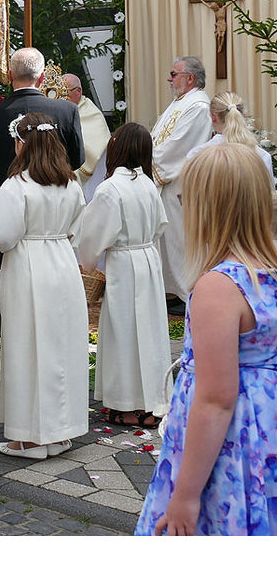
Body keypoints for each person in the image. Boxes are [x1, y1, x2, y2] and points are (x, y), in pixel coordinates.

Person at [135, 142, 277, 536]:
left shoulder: (220, 286)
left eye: (186, 197)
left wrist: (186, 494)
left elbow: (215, 400)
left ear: (207, 208)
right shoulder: (269, 268)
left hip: (232, 443)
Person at [0, 111, 87, 459]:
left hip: (29, 267)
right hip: (63, 265)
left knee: (28, 346)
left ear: (22, 143)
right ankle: (59, 431)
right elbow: (77, 228)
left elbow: (2, 234)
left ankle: (31, 438)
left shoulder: (18, 185)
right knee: (61, 346)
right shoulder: (70, 183)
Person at [78, 123, 170, 428]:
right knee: (149, 330)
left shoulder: (110, 189)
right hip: (147, 259)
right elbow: (160, 226)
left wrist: (88, 262)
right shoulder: (148, 184)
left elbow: (91, 239)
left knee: (125, 332)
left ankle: (128, 404)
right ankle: (152, 401)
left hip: (124, 265)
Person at [0, 47, 84, 190]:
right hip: (53, 195)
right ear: (42, 77)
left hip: (7, 196)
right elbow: (76, 160)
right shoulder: (67, 111)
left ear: (10, 75)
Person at [150, 56, 211, 308]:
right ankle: (170, 290)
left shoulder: (197, 106)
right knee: (168, 239)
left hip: (179, 184)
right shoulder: (180, 103)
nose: (169, 78)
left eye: (173, 74)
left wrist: (148, 164)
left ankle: (187, 293)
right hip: (166, 184)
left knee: (179, 239)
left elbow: (179, 146)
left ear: (190, 78)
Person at [185, 90, 275, 189]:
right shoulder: (262, 156)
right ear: (243, 116)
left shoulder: (197, 155)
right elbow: (268, 198)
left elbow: (192, 197)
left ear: (212, 117)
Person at [62, 73, 110, 201]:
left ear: (78, 91)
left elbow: (92, 149)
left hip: (91, 178)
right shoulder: (61, 111)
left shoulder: (91, 113)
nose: (61, 97)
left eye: (64, 92)